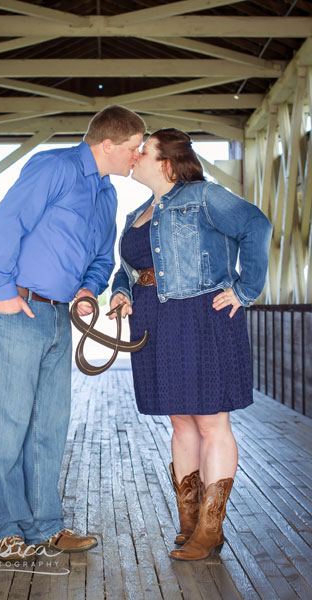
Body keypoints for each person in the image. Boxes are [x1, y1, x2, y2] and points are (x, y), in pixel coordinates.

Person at [0, 105, 146, 559]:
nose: (137, 155)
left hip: (57, 316)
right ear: (108, 144)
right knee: (6, 424)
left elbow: (102, 259)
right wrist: (6, 290)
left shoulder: (107, 196)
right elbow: (7, 222)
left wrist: (89, 291)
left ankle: (45, 526)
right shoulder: (55, 167)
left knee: (49, 425)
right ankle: (5, 530)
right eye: (133, 147)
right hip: (13, 305)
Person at [109, 128, 272, 561]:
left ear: (165, 161)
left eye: (143, 151)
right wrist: (120, 292)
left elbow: (257, 224)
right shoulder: (137, 214)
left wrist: (245, 288)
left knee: (211, 422)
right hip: (153, 320)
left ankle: (210, 529)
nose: (135, 156)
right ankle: (189, 522)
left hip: (201, 317)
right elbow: (127, 270)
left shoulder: (204, 197)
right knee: (180, 423)